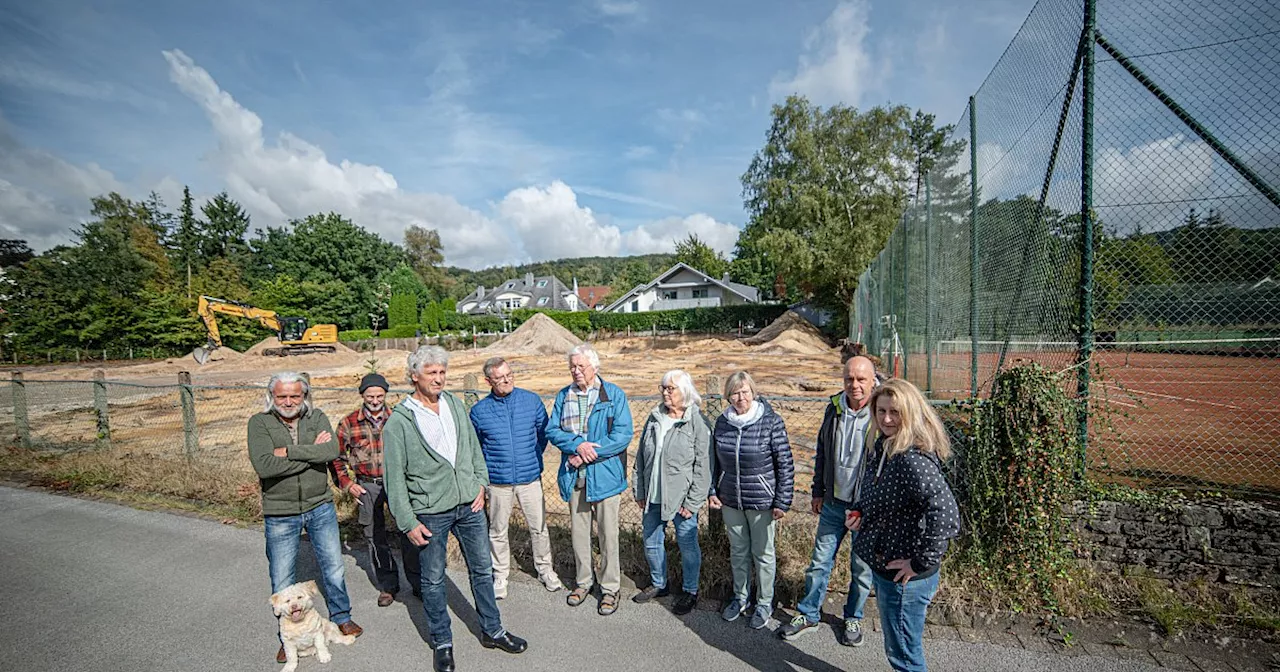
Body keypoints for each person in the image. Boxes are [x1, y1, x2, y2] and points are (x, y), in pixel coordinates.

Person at [383, 346, 527, 672]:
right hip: (431, 511)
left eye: (442, 372)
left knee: (482, 571)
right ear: (414, 376)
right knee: (433, 581)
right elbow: (394, 479)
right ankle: (442, 642)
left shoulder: (455, 405)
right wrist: (407, 521)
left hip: (470, 505)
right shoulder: (400, 422)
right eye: (432, 373)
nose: (439, 378)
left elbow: (474, 449)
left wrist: (480, 482)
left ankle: (493, 629)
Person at [247, 372, 362, 665]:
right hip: (280, 511)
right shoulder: (259, 423)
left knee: (333, 566)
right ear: (271, 397)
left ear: (304, 396)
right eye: (281, 396)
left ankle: (342, 617)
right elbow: (265, 466)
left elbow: (332, 450)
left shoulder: (317, 416)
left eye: (294, 396)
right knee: (282, 577)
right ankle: (288, 638)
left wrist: (289, 452)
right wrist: (312, 454)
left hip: (319, 505)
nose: (288, 401)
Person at [847, 378, 960, 672]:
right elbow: (882, 494)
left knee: (904, 656)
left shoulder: (911, 458)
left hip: (904, 579)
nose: (886, 419)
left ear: (910, 413)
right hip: (888, 568)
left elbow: (945, 512)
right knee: (900, 648)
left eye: (895, 412)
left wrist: (920, 562)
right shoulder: (886, 447)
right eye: (881, 411)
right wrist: (861, 511)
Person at [778, 356, 878, 645]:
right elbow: (822, 452)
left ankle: (854, 618)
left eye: (861, 379)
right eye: (849, 379)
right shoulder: (834, 408)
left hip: (865, 508)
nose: (855, 385)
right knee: (819, 562)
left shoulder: (882, 412)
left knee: (861, 569)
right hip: (834, 503)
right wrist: (818, 491)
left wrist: (874, 505)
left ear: (873, 380)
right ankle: (808, 614)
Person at [546, 343, 634, 616]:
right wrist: (576, 445)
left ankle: (610, 588)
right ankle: (584, 582)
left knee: (608, 535)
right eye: (572, 366)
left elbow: (622, 435)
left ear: (594, 367)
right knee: (579, 534)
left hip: (605, 477)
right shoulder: (564, 396)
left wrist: (585, 454)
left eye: (581, 366)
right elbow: (553, 430)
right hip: (575, 478)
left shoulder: (613, 395)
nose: (575, 371)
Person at [469, 356, 562, 598]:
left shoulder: (531, 401)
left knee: (539, 527)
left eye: (509, 374)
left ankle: (545, 570)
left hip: (529, 477)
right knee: (498, 530)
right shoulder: (479, 411)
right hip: (497, 482)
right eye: (500, 378)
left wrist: (530, 458)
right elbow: (476, 447)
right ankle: (500, 574)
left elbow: (543, 434)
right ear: (489, 381)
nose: (507, 379)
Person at [709, 371, 794, 630]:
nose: (740, 397)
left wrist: (782, 500)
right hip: (731, 499)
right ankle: (740, 597)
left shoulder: (770, 421)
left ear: (753, 393)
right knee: (738, 552)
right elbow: (714, 461)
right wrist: (713, 490)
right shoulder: (723, 423)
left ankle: (764, 602)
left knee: (763, 553)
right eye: (735, 392)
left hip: (762, 500)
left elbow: (785, 464)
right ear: (728, 396)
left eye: (745, 391)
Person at [332, 372, 421, 607]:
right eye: (370, 395)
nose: (374, 400)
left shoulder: (399, 418)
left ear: (385, 395)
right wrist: (348, 484)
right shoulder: (348, 422)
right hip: (367, 486)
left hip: (398, 484)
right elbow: (336, 458)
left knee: (409, 531)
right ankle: (388, 585)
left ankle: (418, 583)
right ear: (362, 395)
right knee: (374, 536)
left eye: (379, 395)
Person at [631, 369, 712, 616]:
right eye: (663, 388)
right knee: (651, 541)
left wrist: (694, 500)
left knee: (688, 544)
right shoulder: (655, 417)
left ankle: (690, 591)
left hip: (682, 499)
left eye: (670, 388)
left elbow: (704, 465)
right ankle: (659, 584)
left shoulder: (697, 422)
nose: (665, 392)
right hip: (653, 494)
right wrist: (640, 488)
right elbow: (642, 457)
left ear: (684, 392)